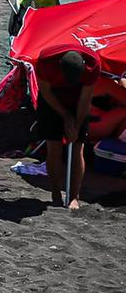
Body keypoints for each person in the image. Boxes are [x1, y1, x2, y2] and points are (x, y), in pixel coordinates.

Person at [37, 49, 97, 210]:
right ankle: (56, 194)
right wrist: (65, 115)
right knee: (54, 147)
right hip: (52, 100)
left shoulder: (92, 64)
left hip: (78, 99)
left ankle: (74, 197)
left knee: (78, 147)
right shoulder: (45, 61)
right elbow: (45, 91)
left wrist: (76, 125)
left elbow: (85, 99)